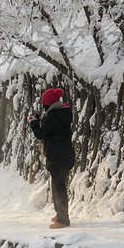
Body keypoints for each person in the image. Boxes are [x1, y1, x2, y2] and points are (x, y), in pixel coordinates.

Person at [27, 88, 75, 229]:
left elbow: (41, 133)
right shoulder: (61, 113)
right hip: (65, 156)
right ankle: (60, 214)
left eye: (44, 104)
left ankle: (63, 219)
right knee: (57, 186)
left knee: (59, 188)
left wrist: (33, 122)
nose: (43, 107)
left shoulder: (53, 116)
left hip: (57, 157)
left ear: (49, 105)